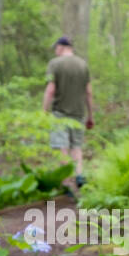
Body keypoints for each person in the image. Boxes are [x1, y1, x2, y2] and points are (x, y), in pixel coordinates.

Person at [42, 36, 93, 199]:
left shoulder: (55, 64)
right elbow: (89, 92)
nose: (55, 51)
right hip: (78, 114)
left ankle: (66, 185)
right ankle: (79, 176)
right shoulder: (83, 65)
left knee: (62, 148)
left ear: (61, 47)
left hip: (59, 114)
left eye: (56, 47)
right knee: (76, 147)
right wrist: (91, 115)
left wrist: (44, 113)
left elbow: (50, 90)